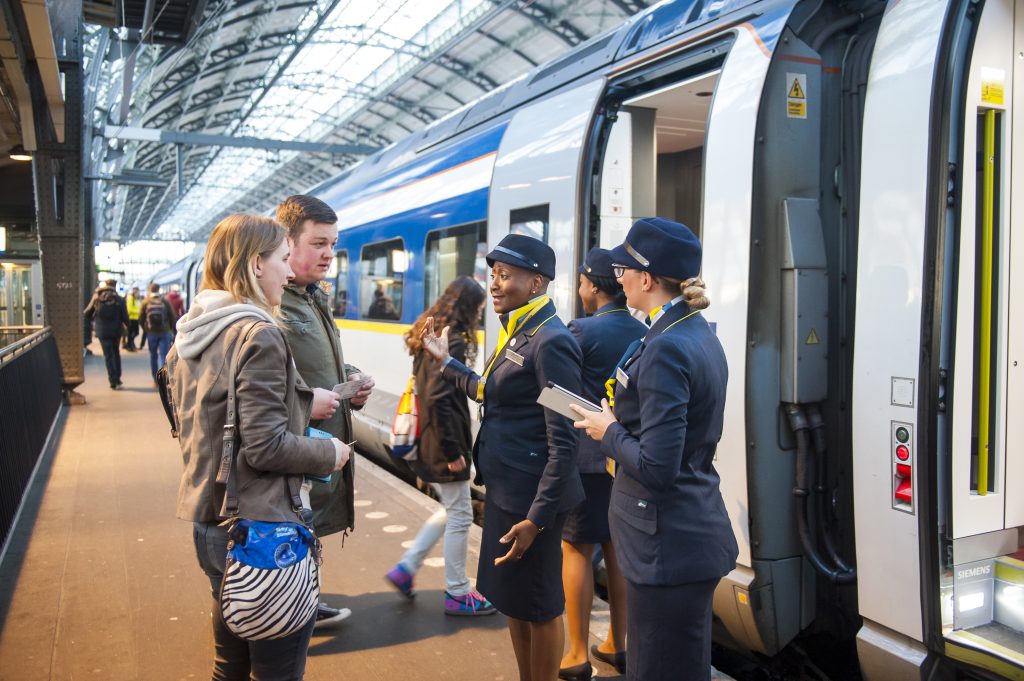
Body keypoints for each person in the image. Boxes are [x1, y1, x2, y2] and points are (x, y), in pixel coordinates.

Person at [167, 213, 351, 680]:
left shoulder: (190, 332)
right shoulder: (258, 334)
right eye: (284, 260)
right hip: (262, 527)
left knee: (229, 666)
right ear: (254, 266)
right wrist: (331, 453)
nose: (290, 273)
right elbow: (266, 448)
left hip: (209, 519)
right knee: (278, 672)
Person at [571, 217, 738, 681]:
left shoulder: (667, 346)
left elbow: (658, 466)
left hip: (665, 543)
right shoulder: (692, 331)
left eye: (623, 268)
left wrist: (609, 430)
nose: (617, 276)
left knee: (656, 669)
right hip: (685, 534)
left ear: (646, 279)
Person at [420, 233, 584, 681]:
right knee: (513, 600)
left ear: (536, 283)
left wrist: (537, 519)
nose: (494, 284)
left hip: (533, 499)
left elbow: (563, 443)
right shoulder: (521, 331)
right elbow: (491, 390)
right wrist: (447, 362)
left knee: (540, 604)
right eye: (492, 274)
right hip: (507, 488)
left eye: (505, 275)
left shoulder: (552, 342)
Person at [275, 194, 375, 628]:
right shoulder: (272, 301)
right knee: (290, 527)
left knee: (306, 526)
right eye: (318, 244)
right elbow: (253, 381)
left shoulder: (312, 297)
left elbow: (313, 361)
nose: (329, 255)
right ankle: (286, 611)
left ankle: (304, 601)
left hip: (317, 445)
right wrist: (303, 401)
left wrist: (350, 378)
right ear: (286, 242)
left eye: (332, 244)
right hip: (293, 446)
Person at [383, 276, 496, 616]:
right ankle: (458, 592)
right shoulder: (454, 341)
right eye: (478, 308)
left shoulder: (428, 335)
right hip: (441, 443)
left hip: (428, 438)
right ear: (469, 308)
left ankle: (406, 568)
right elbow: (440, 398)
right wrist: (454, 454)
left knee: (453, 507)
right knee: (461, 514)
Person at [559, 248, 645, 681]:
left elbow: (560, 389)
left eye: (581, 282)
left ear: (592, 285)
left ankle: (575, 653)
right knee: (617, 550)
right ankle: (618, 643)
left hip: (587, 459)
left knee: (576, 547)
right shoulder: (644, 329)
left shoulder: (581, 331)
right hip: (625, 457)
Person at [83, 278, 128, 389]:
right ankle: (118, 378)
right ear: (115, 286)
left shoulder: (97, 298)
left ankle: (112, 381)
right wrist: (127, 329)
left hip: (102, 332)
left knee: (108, 356)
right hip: (116, 331)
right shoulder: (119, 299)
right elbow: (126, 318)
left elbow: (86, 313)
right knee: (116, 353)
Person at [140, 282, 176, 384]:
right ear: (158, 289)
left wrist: (146, 328)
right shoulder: (165, 301)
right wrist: (171, 330)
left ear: (150, 290)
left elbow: (141, 318)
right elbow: (172, 316)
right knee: (164, 355)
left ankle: (155, 380)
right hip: (164, 332)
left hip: (151, 333)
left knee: (153, 356)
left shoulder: (145, 302)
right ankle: (163, 380)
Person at [123, 286, 141, 351]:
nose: (138, 293)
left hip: (135, 318)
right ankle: (129, 345)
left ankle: (130, 344)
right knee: (132, 333)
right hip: (131, 319)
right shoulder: (130, 298)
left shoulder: (135, 299)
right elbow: (129, 309)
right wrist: (138, 312)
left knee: (135, 332)